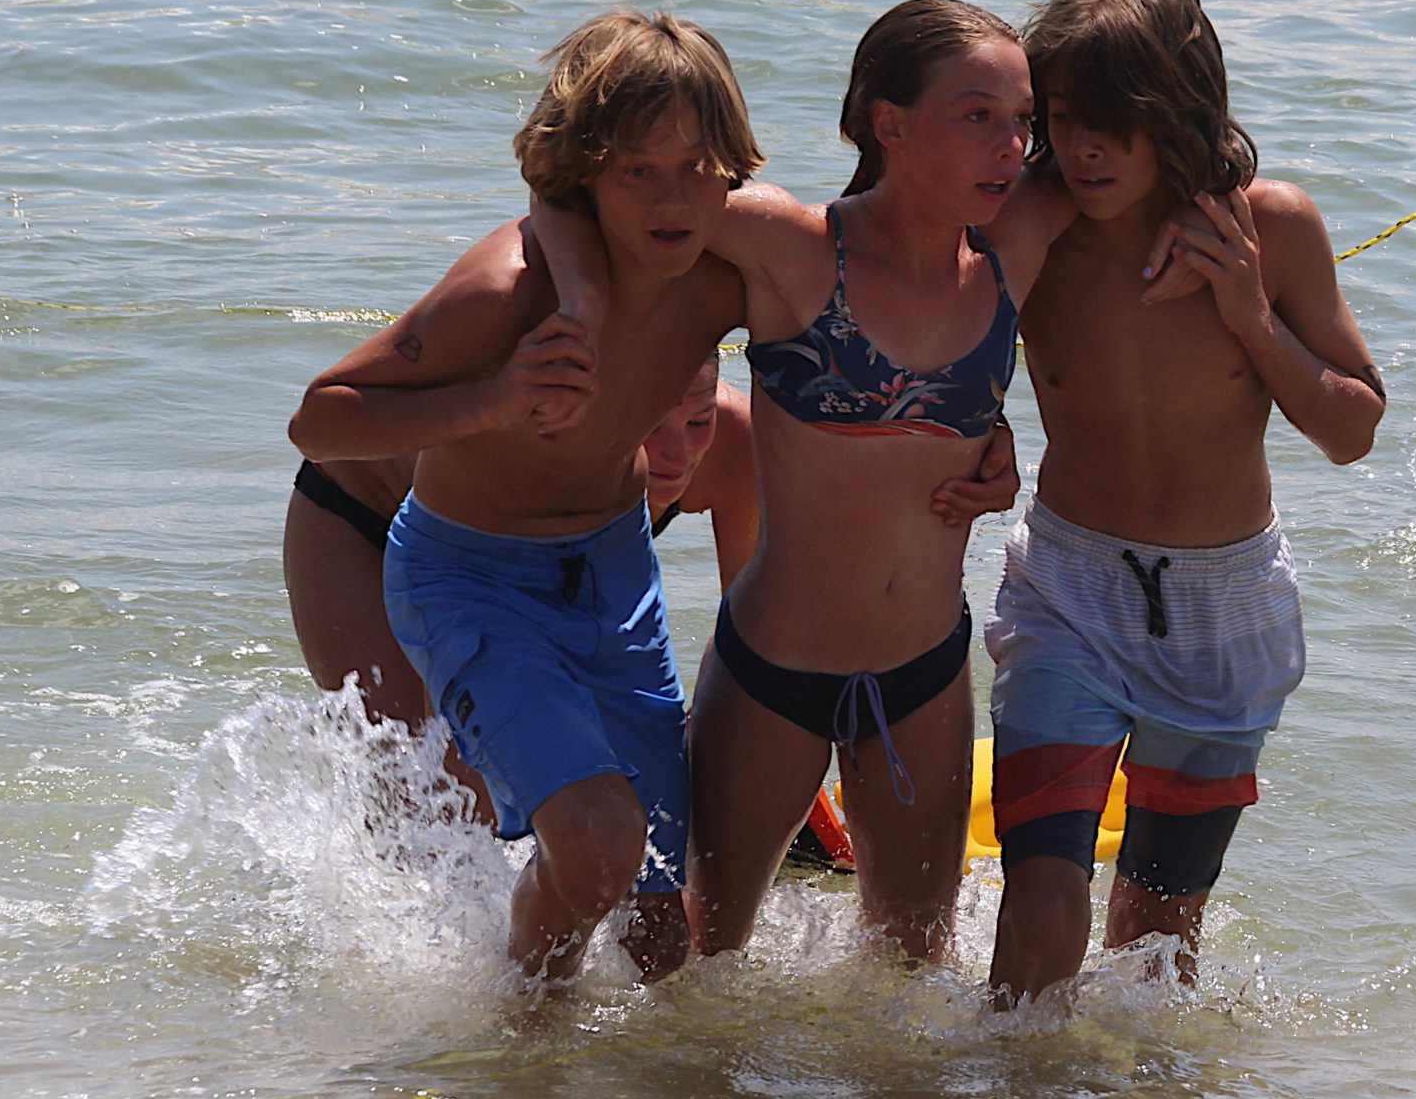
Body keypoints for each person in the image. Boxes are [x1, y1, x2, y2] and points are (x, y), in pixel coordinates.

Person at [536, 0, 1072, 965]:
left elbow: (1144, 151)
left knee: (911, 971)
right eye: (978, 117)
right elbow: (577, 184)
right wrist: (576, 300)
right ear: (890, 124)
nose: (1012, 147)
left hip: (923, 677)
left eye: (1023, 120)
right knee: (698, 961)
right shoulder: (793, 250)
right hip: (771, 675)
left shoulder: (1012, 253)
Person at [289, 8, 757, 988]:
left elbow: (890, 265)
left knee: (663, 926)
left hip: (611, 574)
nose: (674, 200)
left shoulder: (720, 272)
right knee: (587, 844)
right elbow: (321, 418)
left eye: (698, 168)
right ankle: (524, 1033)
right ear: (582, 170)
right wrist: (493, 399)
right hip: (468, 574)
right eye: (640, 171)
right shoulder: (506, 291)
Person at [984, 0, 1384, 1005]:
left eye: (1112, 120)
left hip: (1227, 611)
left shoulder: (1270, 225)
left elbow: (1353, 430)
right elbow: (931, 339)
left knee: (1159, 933)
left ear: (1178, 108)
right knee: (1044, 900)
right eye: (1062, 117)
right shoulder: (1031, 223)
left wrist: (1251, 315)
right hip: (1068, 591)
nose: (1083, 147)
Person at [282, 353, 1022, 872]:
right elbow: (515, 620)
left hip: (539, 547)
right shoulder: (553, 440)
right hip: (365, 520)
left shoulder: (733, 449)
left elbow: (756, 646)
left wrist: (785, 798)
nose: (675, 460)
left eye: (695, 423)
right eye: (651, 430)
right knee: (425, 778)